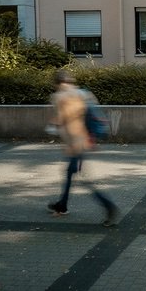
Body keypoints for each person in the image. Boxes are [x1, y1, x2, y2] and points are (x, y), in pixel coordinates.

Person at [47, 69, 119, 226]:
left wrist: (68, 144)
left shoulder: (59, 97)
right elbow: (89, 117)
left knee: (83, 178)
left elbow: (62, 124)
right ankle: (62, 205)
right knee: (69, 172)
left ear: (58, 83)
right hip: (83, 139)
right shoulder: (82, 94)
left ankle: (109, 206)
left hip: (75, 143)